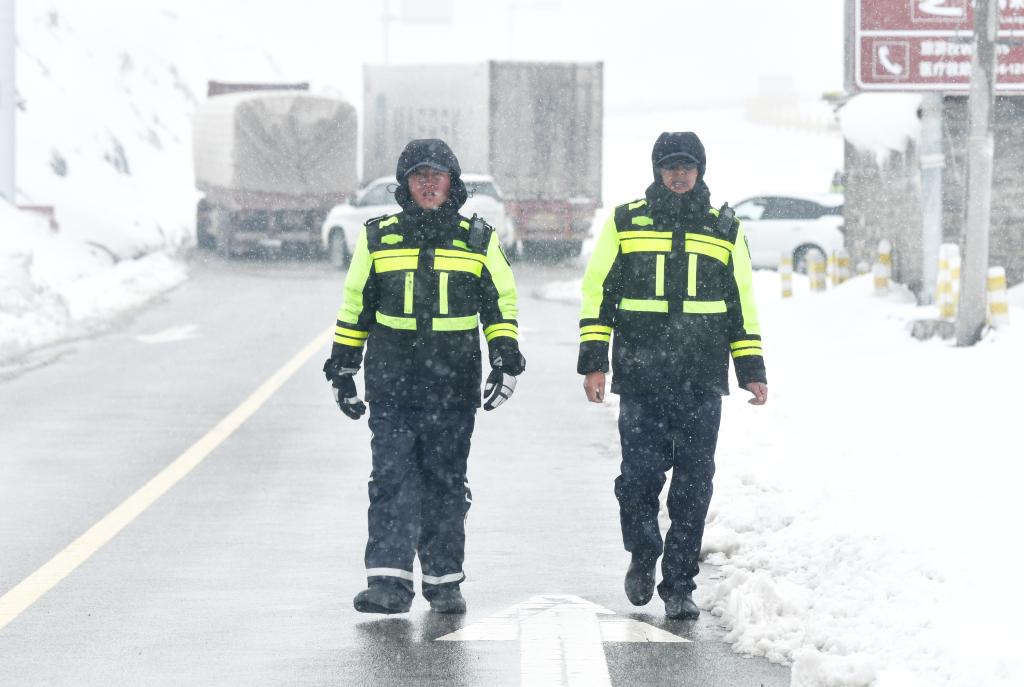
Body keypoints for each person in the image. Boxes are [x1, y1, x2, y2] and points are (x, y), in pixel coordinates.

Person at [323, 138, 525, 615]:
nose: (429, 184)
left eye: (437, 175)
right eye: (419, 176)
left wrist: (505, 358)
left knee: (445, 484)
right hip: (391, 385)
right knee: (391, 480)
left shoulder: (478, 239)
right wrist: (343, 369)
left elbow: (500, 304)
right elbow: (356, 306)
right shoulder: (378, 238)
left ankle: (444, 583)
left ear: (452, 183)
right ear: (405, 184)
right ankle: (388, 585)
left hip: (453, 388)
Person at [577, 131, 767, 620]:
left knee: (693, 486)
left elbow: (741, 302)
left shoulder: (724, 228)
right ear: (657, 171)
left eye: (687, 166)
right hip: (641, 378)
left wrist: (751, 368)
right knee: (639, 479)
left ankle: (680, 584)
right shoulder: (626, 222)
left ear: (699, 171)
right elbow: (599, 292)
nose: (679, 175)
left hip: (701, 380)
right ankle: (643, 552)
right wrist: (595, 361)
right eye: (670, 166)